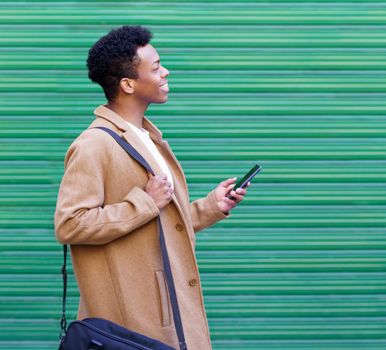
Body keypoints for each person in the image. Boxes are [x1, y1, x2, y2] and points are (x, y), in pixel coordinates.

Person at [54, 25, 248, 349]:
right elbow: (70, 223)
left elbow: (159, 222)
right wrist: (143, 202)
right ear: (128, 84)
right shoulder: (93, 145)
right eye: (156, 67)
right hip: (132, 324)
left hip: (170, 314)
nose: (165, 71)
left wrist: (211, 207)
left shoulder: (147, 137)